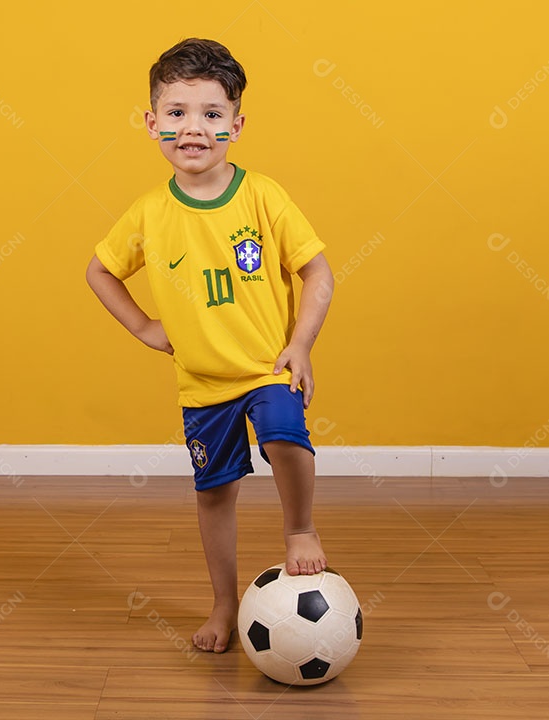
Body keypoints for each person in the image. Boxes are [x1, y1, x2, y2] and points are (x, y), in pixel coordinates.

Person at [86, 38, 334, 654]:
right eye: (175, 113)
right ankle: (225, 604)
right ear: (151, 123)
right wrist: (146, 328)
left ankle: (300, 530)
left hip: (265, 368)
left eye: (211, 114)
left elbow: (319, 274)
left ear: (236, 125)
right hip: (202, 384)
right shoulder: (148, 214)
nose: (192, 128)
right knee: (215, 494)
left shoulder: (262, 197)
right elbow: (100, 271)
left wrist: (300, 344)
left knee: (284, 435)